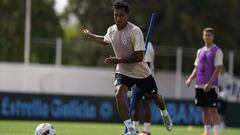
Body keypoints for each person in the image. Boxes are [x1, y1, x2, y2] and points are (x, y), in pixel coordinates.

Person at [82, 1, 172, 135]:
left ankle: (164, 113)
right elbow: (105, 40)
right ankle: (131, 129)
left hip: (141, 73)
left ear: (127, 15)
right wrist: (91, 36)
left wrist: (117, 60)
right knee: (119, 94)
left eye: (121, 15)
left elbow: (139, 57)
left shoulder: (135, 31)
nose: (118, 18)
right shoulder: (111, 30)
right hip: (123, 71)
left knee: (155, 97)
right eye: (116, 15)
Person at [186, 27, 223, 135]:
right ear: (203, 36)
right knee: (204, 109)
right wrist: (190, 78)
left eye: (209, 35)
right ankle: (207, 131)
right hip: (199, 85)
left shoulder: (217, 51)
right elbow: (197, 68)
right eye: (205, 35)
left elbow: (218, 69)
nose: (207, 37)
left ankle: (216, 132)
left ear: (213, 37)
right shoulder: (200, 51)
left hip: (211, 86)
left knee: (213, 109)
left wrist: (210, 83)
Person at [132, 27, 155, 135]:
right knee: (135, 104)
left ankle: (146, 130)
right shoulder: (135, 45)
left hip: (146, 79)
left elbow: (148, 65)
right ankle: (134, 129)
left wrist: (141, 81)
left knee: (145, 104)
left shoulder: (148, 46)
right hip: (135, 78)